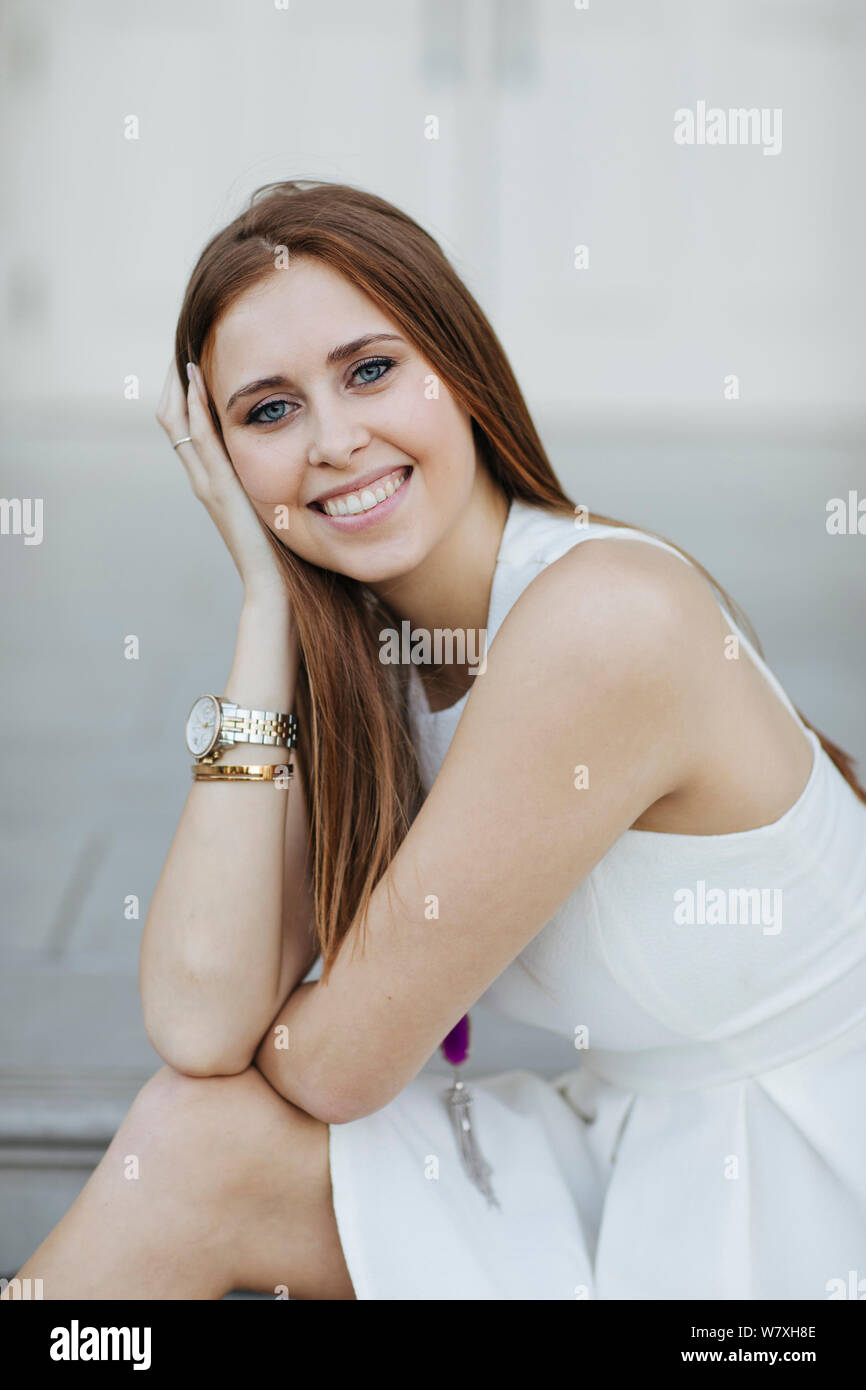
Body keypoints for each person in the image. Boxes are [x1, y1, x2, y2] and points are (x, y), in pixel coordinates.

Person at [5, 180, 865, 1301]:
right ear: (220, 460)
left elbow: (339, 1068)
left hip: (801, 1194)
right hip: (637, 1142)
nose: (334, 441)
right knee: (186, 1138)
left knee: (201, 1141)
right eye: (269, 412)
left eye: (369, 370)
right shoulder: (369, 653)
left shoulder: (603, 619)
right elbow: (201, 1022)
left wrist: (323, 1022)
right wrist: (265, 606)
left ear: (458, 366)